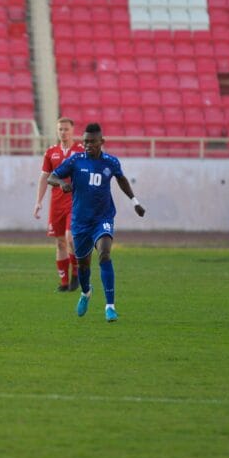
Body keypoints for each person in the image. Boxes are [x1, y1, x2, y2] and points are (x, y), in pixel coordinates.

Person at [48, 123, 146, 321]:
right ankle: (86, 292)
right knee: (84, 265)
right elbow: (52, 176)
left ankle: (110, 306)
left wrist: (135, 202)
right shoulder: (75, 160)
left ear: (102, 142)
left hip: (103, 218)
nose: (88, 145)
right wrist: (61, 184)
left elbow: (121, 179)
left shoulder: (111, 162)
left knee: (104, 254)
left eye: (92, 142)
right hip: (80, 222)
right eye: (85, 142)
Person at [34, 116, 85, 292]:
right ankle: (64, 283)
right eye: (60, 129)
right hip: (56, 204)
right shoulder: (51, 152)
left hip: (75, 203)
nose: (63, 132)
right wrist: (39, 201)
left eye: (66, 129)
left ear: (72, 131)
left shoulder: (81, 151)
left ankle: (76, 274)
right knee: (60, 242)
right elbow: (44, 177)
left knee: (71, 238)